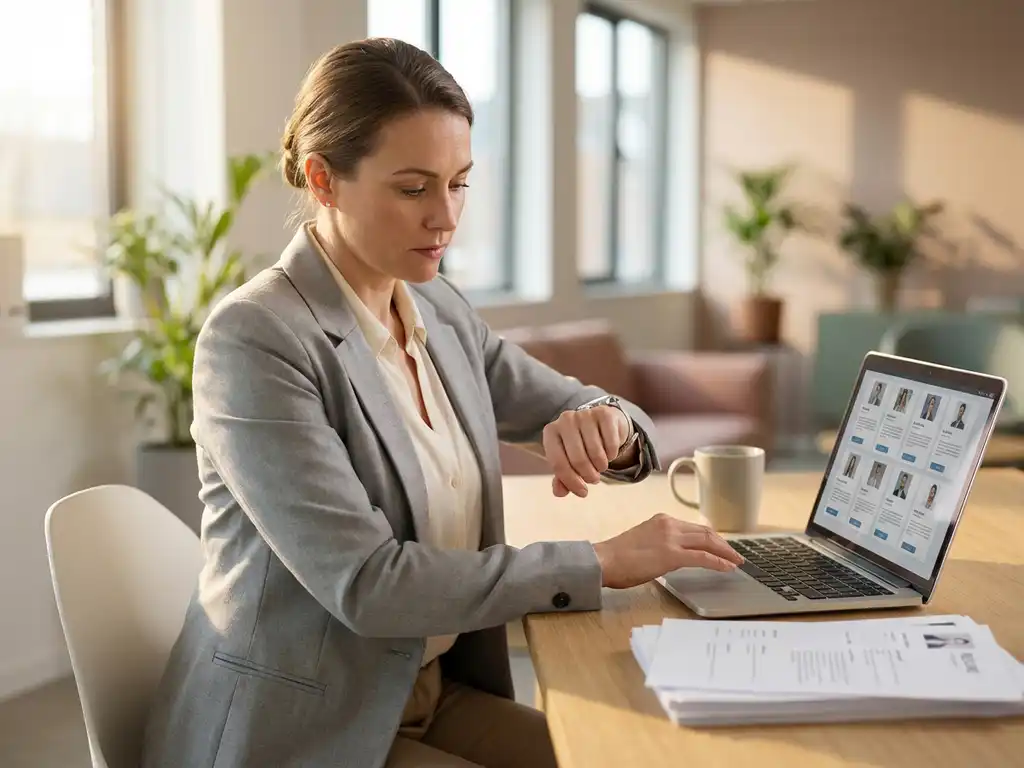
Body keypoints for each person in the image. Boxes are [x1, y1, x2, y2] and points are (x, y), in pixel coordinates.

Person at [140, 38, 744, 768]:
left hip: (423, 690)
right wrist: (598, 561)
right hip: (302, 725)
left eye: (459, 183)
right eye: (413, 188)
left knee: (633, 754)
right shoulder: (255, 339)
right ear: (322, 180)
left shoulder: (438, 309)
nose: (446, 218)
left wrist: (609, 425)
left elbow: (595, 406)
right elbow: (368, 584)